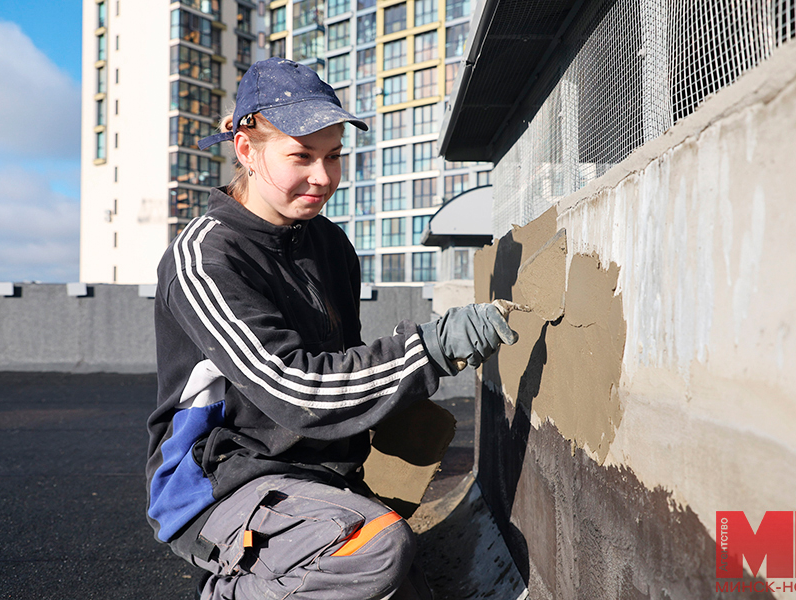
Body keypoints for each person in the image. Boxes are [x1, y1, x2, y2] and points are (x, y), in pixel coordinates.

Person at [145, 58, 518, 600]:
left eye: (334, 156)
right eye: (301, 156)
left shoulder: (329, 246)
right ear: (246, 151)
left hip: (317, 473)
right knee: (377, 551)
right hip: (220, 481)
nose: (323, 177)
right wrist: (430, 350)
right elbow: (296, 391)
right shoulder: (205, 257)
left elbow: (340, 365)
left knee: (412, 585)